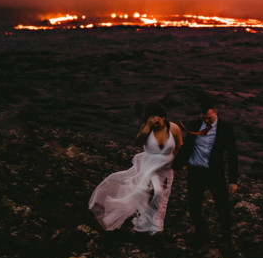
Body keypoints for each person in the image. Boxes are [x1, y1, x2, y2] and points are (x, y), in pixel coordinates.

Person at [88, 102, 182, 234]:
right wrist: (148, 126)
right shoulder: (147, 127)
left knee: (162, 197)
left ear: (164, 118)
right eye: (152, 122)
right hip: (149, 166)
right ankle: (147, 221)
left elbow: (179, 144)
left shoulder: (173, 128)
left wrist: (178, 162)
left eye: (157, 122)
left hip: (165, 168)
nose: (156, 125)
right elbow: (138, 142)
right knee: (157, 192)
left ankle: (155, 224)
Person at [174, 96, 238, 249]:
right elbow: (187, 146)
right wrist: (177, 165)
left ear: (215, 111)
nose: (207, 121)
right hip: (196, 171)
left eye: (209, 118)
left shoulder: (226, 128)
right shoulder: (194, 125)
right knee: (194, 206)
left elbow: (232, 155)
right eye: (204, 118)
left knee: (223, 206)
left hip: (215, 173)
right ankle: (203, 237)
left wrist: (233, 180)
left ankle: (227, 239)